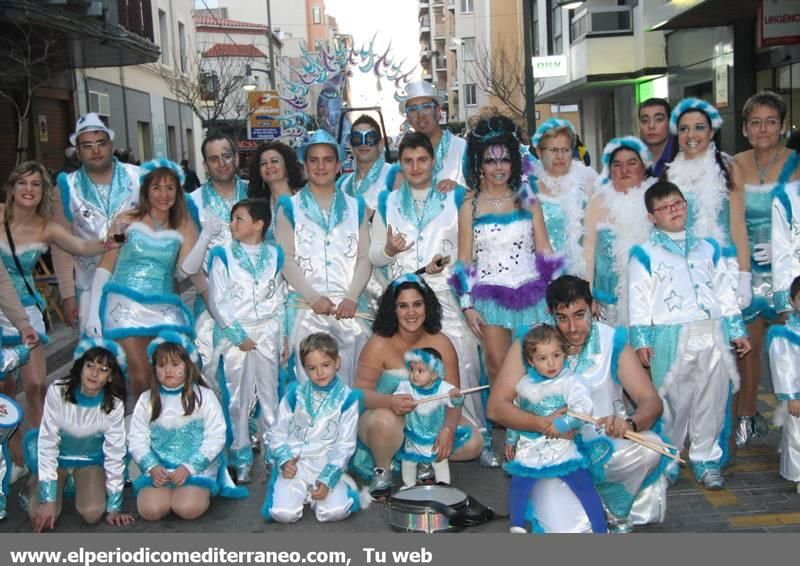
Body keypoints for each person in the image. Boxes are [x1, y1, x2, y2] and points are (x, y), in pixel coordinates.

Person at [488, 275, 667, 533]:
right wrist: (542, 424)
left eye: (580, 314)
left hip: (603, 446)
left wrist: (629, 423)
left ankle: (608, 500)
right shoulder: (532, 343)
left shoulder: (611, 341)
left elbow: (651, 401)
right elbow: (496, 407)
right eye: (562, 318)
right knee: (568, 531)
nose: (572, 327)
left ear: (593, 307)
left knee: (652, 447)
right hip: (551, 452)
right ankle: (579, 503)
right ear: (551, 315)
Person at [370, 132, 496, 467]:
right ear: (400, 163)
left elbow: (469, 255)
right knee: (406, 368)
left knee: (465, 360)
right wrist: (388, 250)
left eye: (422, 160)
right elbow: (375, 258)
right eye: (408, 160)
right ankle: (413, 439)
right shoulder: (389, 201)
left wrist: (467, 303)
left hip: (446, 293)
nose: (415, 167)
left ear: (433, 162)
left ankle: (476, 434)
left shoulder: (456, 198)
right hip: (405, 300)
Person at [1, 161, 121, 480]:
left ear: (43, 193)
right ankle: (14, 459)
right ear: (11, 187)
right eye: (23, 183)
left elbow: (81, 247)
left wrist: (109, 242)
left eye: (36, 184)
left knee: (37, 385)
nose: (29, 189)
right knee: (4, 390)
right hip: (1, 310)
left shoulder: (47, 227)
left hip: (27, 310)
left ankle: (42, 457)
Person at [628, 182, 751, 490]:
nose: (674, 211)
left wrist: (736, 330)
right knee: (672, 401)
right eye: (665, 207)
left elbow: (725, 291)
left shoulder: (709, 247)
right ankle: (668, 459)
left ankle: (706, 458)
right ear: (652, 216)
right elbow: (638, 298)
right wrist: (642, 338)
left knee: (712, 398)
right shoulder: (644, 254)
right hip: (672, 335)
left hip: (712, 333)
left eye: (678, 204)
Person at [452, 114, 557, 396]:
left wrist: (557, 293)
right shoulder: (469, 206)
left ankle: (532, 434)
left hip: (532, 296)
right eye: (490, 160)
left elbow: (545, 250)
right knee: (497, 368)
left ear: (513, 161)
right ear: (479, 165)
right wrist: (467, 305)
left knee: (534, 366)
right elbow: (464, 260)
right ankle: (505, 437)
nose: (498, 167)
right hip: (489, 299)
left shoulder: (528, 199)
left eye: (504, 159)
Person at [353, 275, 482, 496]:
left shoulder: (442, 343)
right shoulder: (378, 344)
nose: (411, 313)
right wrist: (389, 402)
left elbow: (452, 398)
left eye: (417, 304)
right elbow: (359, 393)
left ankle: (423, 460)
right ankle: (382, 468)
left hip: (431, 418)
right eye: (403, 306)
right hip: (387, 420)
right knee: (384, 422)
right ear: (392, 310)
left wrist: (448, 429)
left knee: (474, 443)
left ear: (427, 306)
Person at [85, 159, 201, 398]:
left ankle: (167, 426)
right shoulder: (125, 220)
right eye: (156, 187)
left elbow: (187, 269)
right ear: (146, 190)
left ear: (178, 191)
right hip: (125, 305)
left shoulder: (184, 225)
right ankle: (143, 430)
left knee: (176, 370)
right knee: (142, 374)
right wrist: (93, 311)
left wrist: (204, 236)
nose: (163, 194)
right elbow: (105, 266)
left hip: (165, 306)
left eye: (170, 188)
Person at [275, 130, 371, 387]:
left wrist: (351, 297)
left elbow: (364, 257)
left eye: (328, 159)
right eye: (314, 160)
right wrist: (313, 297)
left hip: (349, 313)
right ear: (304, 166)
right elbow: (285, 260)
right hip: (306, 311)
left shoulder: (356, 207)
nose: (321, 166)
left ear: (339, 165)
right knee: (308, 384)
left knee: (349, 382)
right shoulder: (288, 208)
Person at [730, 91, 800, 447]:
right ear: (744, 128)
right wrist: (741, 272)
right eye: (755, 122)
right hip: (750, 270)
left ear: (783, 126)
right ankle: (746, 417)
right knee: (749, 348)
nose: (763, 129)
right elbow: (733, 221)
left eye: (770, 121)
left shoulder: (797, 162)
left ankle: (795, 426)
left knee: (793, 349)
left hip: (791, 272)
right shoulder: (735, 165)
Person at [208, 199, 286, 484]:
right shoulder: (223, 255)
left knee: (270, 395)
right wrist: (237, 335)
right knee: (237, 397)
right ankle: (240, 454)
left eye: (239, 219)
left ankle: (273, 452)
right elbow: (218, 299)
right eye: (232, 219)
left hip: (268, 332)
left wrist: (282, 334)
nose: (233, 224)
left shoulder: (275, 254)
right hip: (236, 337)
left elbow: (279, 298)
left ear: (258, 224)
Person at [128, 333, 244, 521]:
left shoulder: (204, 396)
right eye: (161, 365)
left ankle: (202, 488)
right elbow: (137, 438)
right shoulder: (146, 399)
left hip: (196, 468)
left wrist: (190, 467)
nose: (168, 370)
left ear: (187, 366)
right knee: (151, 511)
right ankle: (168, 492)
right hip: (161, 469)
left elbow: (216, 437)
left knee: (187, 509)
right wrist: (152, 466)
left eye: (175, 364)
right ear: (154, 368)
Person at [504, 324, 607, 534]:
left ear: (565, 354)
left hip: (563, 445)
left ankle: (601, 528)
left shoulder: (570, 380)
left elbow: (582, 407)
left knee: (583, 487)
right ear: (531, 361)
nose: (551, 363)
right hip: (530, 446)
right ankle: (517, 525)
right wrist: (511, 438)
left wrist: (561, 424)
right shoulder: (525, 384)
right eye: (542, 358)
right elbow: (516, 412)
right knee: (519, 484)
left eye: (556, 355)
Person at [29, 339, 133, 532]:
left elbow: (115, 452)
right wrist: (48, 499)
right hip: (57, 461)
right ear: (80, 366)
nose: (94, 373)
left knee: (93, 513)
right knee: (38, 514)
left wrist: (114, 507)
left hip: (90, 462)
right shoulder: (58, 391)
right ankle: (39, 484)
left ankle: (81, 485)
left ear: (110, 377)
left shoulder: (114, 405)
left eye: (103, 369)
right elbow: (48, 443)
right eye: (90, 365)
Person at [53, 113, 141, 331]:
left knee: (143, 362)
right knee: (98, 361)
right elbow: (60, 245)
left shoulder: (140, 178)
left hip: (140, 289)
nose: (95, 150)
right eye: (87, 145)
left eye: (101, 143)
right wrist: (67, 294)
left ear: (111, 145)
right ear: (78, 152)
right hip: (90, 292)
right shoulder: (66, 188)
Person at [262, 333, 361, 523]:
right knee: (283, 515)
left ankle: (325, 492)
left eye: (326, 365)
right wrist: (284, 461)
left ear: (337, 362)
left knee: (335, 512)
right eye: (312, 368)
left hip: (327, 463)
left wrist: (328, 478)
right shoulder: (294, 395)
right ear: (304, 369)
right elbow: (276, 432)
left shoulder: (347, 399)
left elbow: (345, 444)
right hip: (296, 464)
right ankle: (297, 491)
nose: (320, 373)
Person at [182, 134, 248, 375]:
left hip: (256, 299)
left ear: (236, 158)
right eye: (213, 159)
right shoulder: (193, 201)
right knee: (214, 372)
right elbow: (189, 261)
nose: (221, 163)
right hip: (210, 299)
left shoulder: (255, 192)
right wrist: (210, 298)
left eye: (226, 156)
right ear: (205, 165)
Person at [583, 137, 655, 325]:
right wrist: (587, 295)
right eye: (617, 165)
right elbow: (588, 252)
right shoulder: (597, 202)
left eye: (631, 163)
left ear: (644, 166)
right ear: (609, 170)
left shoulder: (656, 199)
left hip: (651, 301)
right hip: (607, 304)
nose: (624, 171)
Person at [527, 118, 597, 277]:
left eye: (565, 150)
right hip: (543, 278)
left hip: (582, 277)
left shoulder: (589, 184)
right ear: (539, 152)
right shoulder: (529, 190)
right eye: (553, 150)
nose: (560, 156)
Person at [395, 348, 466, 488]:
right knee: (408, 461)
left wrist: (456, 397)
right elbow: (398, 397)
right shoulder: (406, 386)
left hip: (435, 436)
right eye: (412, 369)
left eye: (420, 371)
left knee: (440, 461)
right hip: (413, 433)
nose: (414, 374)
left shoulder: (443, 388)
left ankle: (444, 486)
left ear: (434, 374)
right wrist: (401, 400)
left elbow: (455, 403)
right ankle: (408, 486)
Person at [392, 80, 467, 192]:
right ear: (408, 118)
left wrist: (459, 190)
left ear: (438, 112)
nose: (420, 114)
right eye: (413, 109)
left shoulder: (461, 148)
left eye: (426, 107)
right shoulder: (406, 154)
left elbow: (479, 193)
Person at [767, 275, 800, 493]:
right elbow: (784, 367)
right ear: (791, 301)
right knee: (797, 434)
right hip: (798, 394)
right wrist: (791, 396)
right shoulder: (786, 334)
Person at [246, 140, 305, 235]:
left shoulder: (304, 198)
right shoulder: (260, 205)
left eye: (274, 161)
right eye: (263, 163)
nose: (269, 166)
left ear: (286, 166)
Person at [337, 115, 393, 211]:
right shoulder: (345, 184)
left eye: (370, 138)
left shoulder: (393, 176)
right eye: (357, 139)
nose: (363, 144)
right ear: (350, 145)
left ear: (381, 144)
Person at [639, 98, 676, 178]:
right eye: (645, 121)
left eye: (659, 119)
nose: (651, 126)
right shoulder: (634, 156)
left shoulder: (683, 153)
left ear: (670, 122)